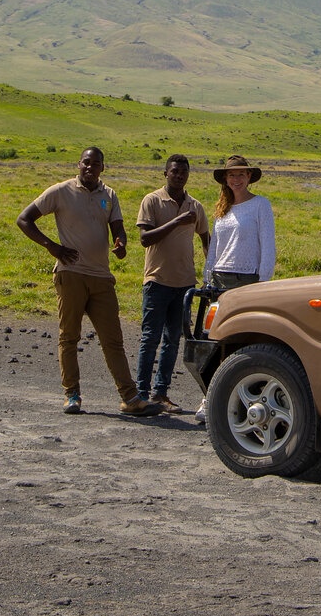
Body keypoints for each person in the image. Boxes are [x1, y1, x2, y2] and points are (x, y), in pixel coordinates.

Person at [16, 147, 159, 417]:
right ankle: (72, 395)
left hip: (101, 277)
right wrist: (52, 247)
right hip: (70, 274)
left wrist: (121, 244)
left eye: (96, 164)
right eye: (86, 163)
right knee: (69, 337)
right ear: (78, 164)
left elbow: (118, 228)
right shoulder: (60, 191)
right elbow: (24, 220)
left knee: (113, 340)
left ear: (103, 168)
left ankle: (130, 398)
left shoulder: (109, 195)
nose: (90, 168)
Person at [134, 153, 210, 413]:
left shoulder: (195, 206)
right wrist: (176, 222)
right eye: (175, 171)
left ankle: (161, 394)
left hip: (185, 282)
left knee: (172, 341)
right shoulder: (152, 201)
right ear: (165, 173)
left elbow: (205, 238)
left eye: (184, 172)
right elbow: (145, 239)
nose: (179, 176)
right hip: (157, 280)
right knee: (150, 338)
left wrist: (209, 268)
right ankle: (140, 393)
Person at [204, 154, 274, 290]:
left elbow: (268, 246)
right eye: (231, 175)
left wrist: (263, 280)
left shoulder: (260, 204)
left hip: (246, 278)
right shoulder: (223, 207)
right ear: (226, 178)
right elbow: (214, 246)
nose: (236, 180)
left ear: (248, 176)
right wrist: (207, 278)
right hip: (219, 277)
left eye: (241, 174)